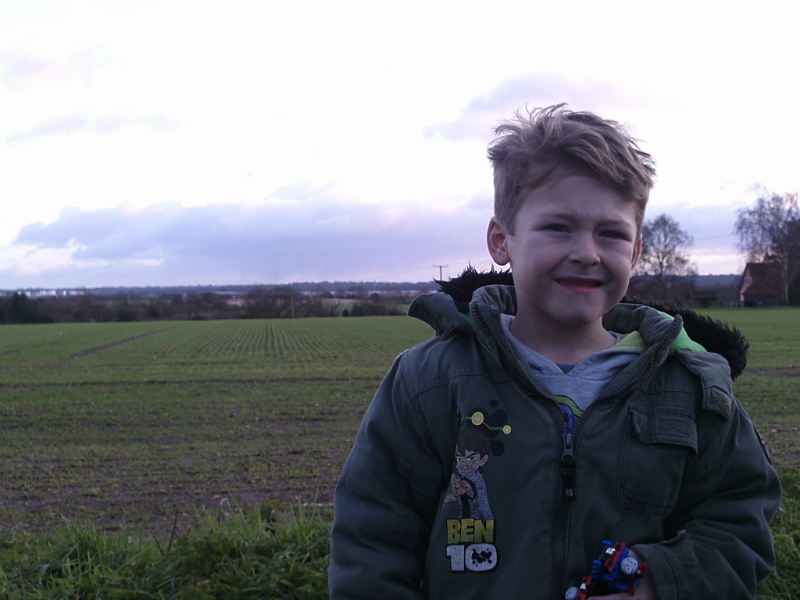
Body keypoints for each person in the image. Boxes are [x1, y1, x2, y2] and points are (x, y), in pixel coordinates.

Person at [328, 105, 780, 600]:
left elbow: (740, 526)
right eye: (558, 227)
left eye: (610, 233)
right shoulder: (429, 382)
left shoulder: (690, 388)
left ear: (634, 253)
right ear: (502, 241)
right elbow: (371, 545)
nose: (587, 251)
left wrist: (657, 581)